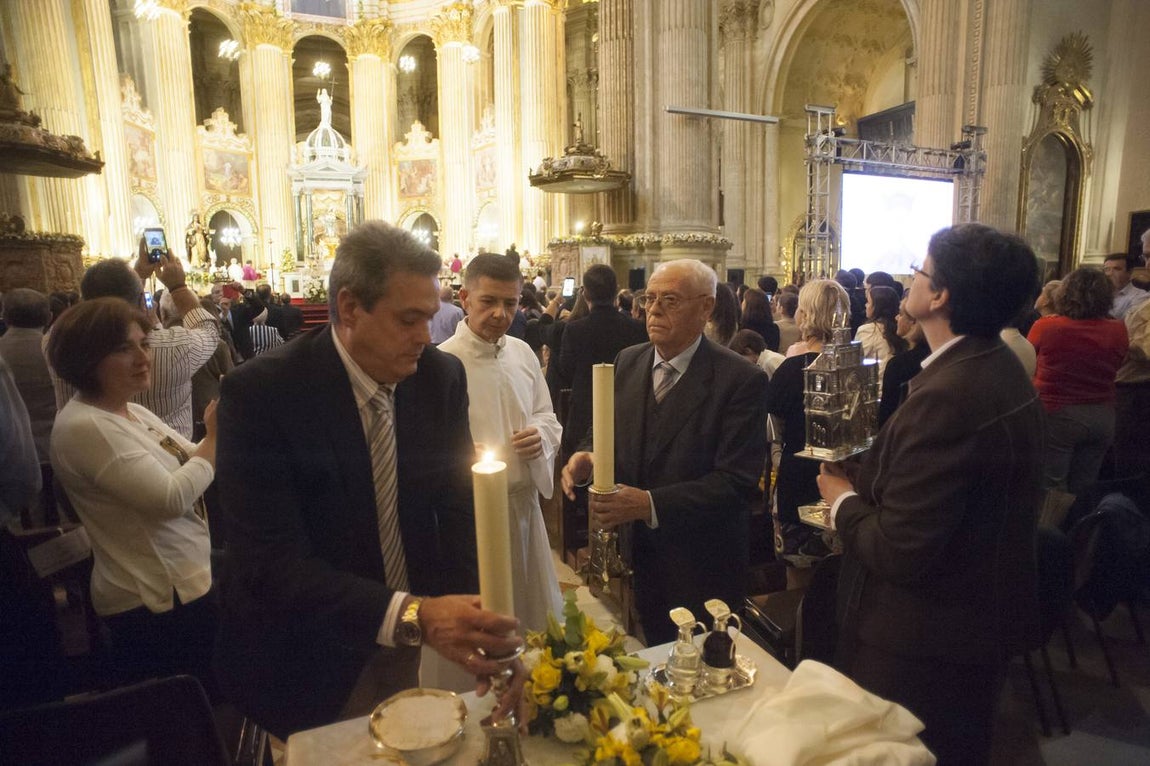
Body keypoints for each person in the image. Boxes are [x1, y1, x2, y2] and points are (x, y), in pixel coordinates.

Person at [214, 220, 523, 739]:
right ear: (351, 307)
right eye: (408, 319)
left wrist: (480, 622)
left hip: (404, 644)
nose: (427, 337)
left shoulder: (439, 379)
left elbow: (457, 508)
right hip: (305, 654)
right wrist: (414, 616)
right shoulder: (263, 394)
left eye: (430, 317)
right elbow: (267, 563)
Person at [816, 223, 1044, 766]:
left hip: (921, 642)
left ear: (939, 296)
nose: (911, 278)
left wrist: (841, 496)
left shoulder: (950, 395)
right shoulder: (993, 364)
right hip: (966, 628)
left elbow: (901, 549)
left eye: (919, 269)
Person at [561, 259, 769, 645]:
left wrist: (649, 504)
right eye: (649, 298)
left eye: (669, 300)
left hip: (700, 559)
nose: (652, 310)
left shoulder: (740, 380)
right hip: (637, 554)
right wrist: (588, 455)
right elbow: (605, 427)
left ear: (706, 307)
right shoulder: (629, 360)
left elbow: (736, 483)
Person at [47, 298, 219, 695]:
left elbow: (191, 457)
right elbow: (171, 497)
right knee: (186, 716)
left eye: (144, 344)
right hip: (151, 599)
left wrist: (219, 437)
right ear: (85, 359)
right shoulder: (85, 427)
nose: (143, 358)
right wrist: (217, 436)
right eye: (124, 348)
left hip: (182, 580)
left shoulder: (127, 412)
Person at [439, 254, 563, 637]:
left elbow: (548, 416)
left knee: (533, 622)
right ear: (465, 298)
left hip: (523, 510)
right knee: (481, 628)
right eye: (488, 301)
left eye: (510, 303)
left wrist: (540, 436)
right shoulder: (441, 363)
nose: (500, 313)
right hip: (470, 518)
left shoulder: (523, 353)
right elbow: (424, 448)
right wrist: (460, 457)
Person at [47, 241, 219, 440]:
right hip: (168, 458)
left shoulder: (58, 340)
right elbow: (208, 330)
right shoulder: (175, 346)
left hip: (82, 448)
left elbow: (84, 312)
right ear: (141, 302)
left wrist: (138, 276)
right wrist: (178, 287)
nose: (141, 358)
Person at [1028, 267, 1128, 494]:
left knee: (1050, 489)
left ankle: (1050, 531)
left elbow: (1028, 360)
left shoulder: (1047, 326)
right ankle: (1080, 530)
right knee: (1084, 489)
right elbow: (1119, 365)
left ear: (1065, 293)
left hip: (1057, 413)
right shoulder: (1118, 330)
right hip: (1103, 415)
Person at [554, 264, 648, 459]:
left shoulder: (575, 329)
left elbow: (566, 369)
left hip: (584, 411)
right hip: (627, 413)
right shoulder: (637, 328)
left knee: (578, 476)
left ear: (585, 293)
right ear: (616, 291)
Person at [0, 289, 56, 460]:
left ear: (5, 316)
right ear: (49, 317)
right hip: (57, 447)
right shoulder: (60, 350)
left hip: (11, 454)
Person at [854, 284, 907, 376]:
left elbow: (856, 360)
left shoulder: (868, 330)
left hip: (875, 382)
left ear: (877, 307)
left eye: (868, 302)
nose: (865, 305)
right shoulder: (900, 327)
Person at [1104, 252, 1149, 318]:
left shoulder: (1141, 296)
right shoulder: (1098, 294)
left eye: (1116, 269)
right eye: (1107, 269)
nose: (1109, 274)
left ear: (1130, 272)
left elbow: (1130, 323)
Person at [739, 287, 780, 352]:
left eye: (744, 301)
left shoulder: (741, 327)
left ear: (748, 306)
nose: (741, 303)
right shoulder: (774, 328)